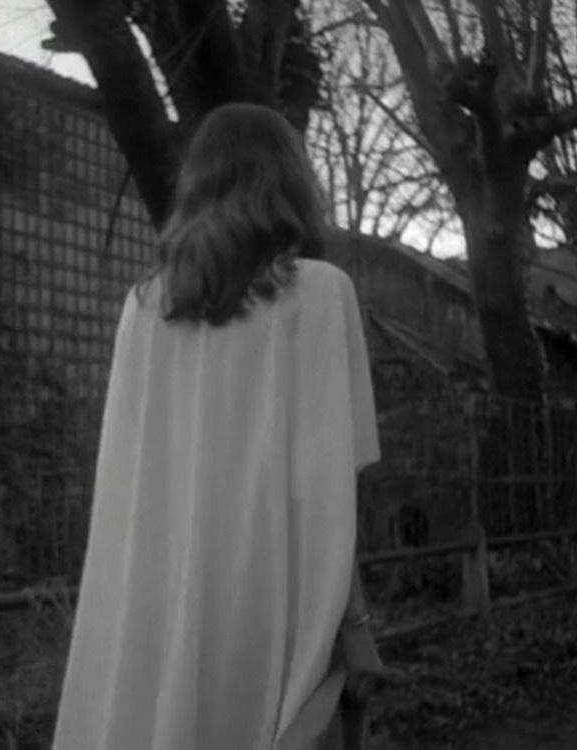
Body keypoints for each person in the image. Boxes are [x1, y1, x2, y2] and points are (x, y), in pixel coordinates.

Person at [52, 102, 387, 750]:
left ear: (197, 184)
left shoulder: (145, 308)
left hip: (162, 602)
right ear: (290, 181)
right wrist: (354, 625)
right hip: (274, 599)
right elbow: (329, 489)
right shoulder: (320, 293)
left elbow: (128, 488)